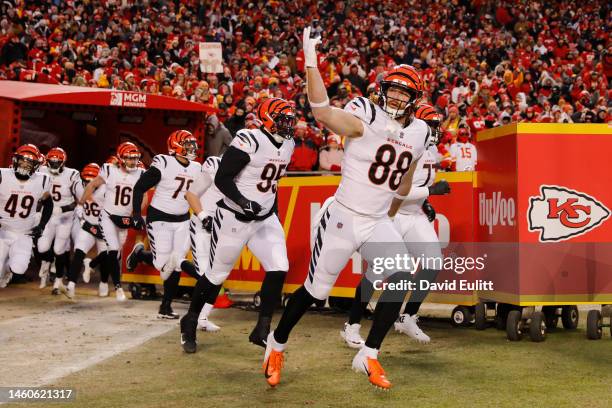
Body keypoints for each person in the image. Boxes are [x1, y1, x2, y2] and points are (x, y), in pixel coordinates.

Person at [261, 28, 428, 390]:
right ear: (382, 90)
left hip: (375, 220)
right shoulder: (364, 112)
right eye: (394, 89)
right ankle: (277, 343)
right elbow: (322, 111)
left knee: (400, 280)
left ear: (414, 99)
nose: (397, 97)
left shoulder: (420, 132)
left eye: (405, 92)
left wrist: (394, 209)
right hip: (342, 216)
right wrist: (310, 62)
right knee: (315, 292)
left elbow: (406, 175)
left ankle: (368, 354)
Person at [179, 97, 296, 354]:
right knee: (216, 275)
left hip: (263, 217)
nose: (288, 124)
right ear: (268, 120)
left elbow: (272, 184)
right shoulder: (249, 139)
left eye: (290, 119)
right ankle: (189, 320)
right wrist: (244, 202)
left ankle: (262, 329)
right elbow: (223, 178)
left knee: (279, 268)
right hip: (234, 216)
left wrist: (269, 209)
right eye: (283, 119)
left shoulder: (289, 145)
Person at [340, 103, 451, 347]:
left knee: (433, 262)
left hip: (414, 215)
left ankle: (408, 316)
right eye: (430, 125)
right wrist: (431, 190)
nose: (434, 131)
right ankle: (353, 324)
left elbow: (417, 185)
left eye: (436, 126)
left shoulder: (430, 151)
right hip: (390, 215)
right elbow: (393, 189)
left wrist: (426, 201)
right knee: (376, 273)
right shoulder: (403, 144)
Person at [126, 130, 202, 319]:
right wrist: (136, 213)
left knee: (176, 264)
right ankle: (140, 254)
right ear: (176, 147)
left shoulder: (196, 167)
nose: (191, 148)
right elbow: (140, 187)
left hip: (182, 218)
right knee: (162, 264)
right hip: (160, 217)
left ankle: (165, 307)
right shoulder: (163, 162)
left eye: (192, 144)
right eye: (187, 144)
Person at [80, 142, 145, 301]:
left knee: (113, 255)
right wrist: (82, 202)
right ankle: (118, 288)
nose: (132, 162)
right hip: (108, 216)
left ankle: (92, 264)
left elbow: (144, 196)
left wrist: (135, 214)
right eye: (129, 158)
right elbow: (93, 184)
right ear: (121, 159)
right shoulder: (109, 170)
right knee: (114, 250)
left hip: (123, 219)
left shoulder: (141, 173)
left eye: (135, 158)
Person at [0, 144, 53, 288]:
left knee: (19, 268)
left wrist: (41, 226)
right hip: (3, 230)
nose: (25, 164)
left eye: (29, 162)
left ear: (36, 166)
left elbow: (48, 204)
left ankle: (9, 271)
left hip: (24, 233)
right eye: (22, 160)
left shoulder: (42, 180)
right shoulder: (2, 175)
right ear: (15, 160)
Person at [183, 155, 225, 332]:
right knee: (204, 275)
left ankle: (203, 317)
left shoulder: (247, 173)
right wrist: (203, 216)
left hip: (223, 227)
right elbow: (190, 194)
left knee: (219, 275)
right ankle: (193, 319)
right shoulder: (215, 164)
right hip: (203, 224)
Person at [37, 147, 80, 294]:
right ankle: (47, 262)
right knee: (42, 247)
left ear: (63, 162)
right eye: (52, 162)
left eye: (57, 162)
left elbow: (78, 200)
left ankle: (58, 280)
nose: (54, 165)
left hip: (64, 217)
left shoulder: (72, 174)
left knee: (59, 249)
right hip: (47, 215)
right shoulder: (41, 171)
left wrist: (63, 209)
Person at [65, 163, 106, 299]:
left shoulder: (107, 189)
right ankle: (71, 284)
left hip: (103, 227)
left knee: (107, 256)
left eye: (92, 181)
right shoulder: (77, 186)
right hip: (87, 225)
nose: (89, 184)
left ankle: (103, 282)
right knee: (78, 252)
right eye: (86, 181)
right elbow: (75, 200)